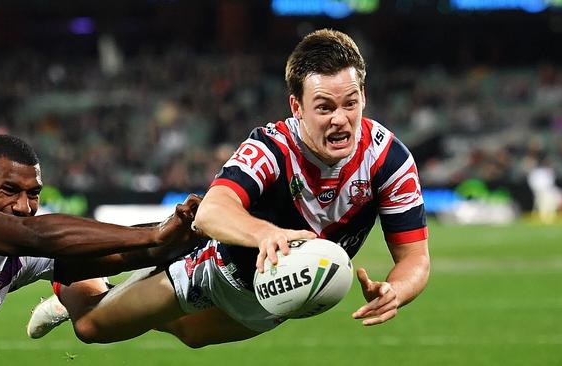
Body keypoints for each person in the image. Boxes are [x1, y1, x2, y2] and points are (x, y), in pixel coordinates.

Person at [30, 28, 430, 347]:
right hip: (213, 269)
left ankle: (120, 286)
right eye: (324, 107)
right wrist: (264, 234)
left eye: (351, 103)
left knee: (189, 335)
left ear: (363, 96)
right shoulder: (270, 147)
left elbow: (415, 258)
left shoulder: (390, 161)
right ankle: (74, 282)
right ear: (297, 107)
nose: (340, 119)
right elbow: (212, 210)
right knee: (91, 327)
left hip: (274, 296)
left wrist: (396, 290)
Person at [0, 134, 200, 347]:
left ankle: (66, 299)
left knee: (97, 317)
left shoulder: (22, 253)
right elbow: (35, 236)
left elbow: (121, 255)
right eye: (9, 190)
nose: (23, 207)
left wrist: (190, 231)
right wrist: (155, 233)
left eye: (33, 194)